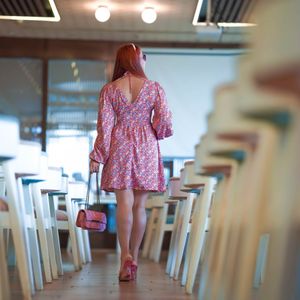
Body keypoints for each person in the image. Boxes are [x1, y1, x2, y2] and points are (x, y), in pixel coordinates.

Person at [89, 43, 173, 281]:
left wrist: (97, 155)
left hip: (120, 143)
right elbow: (165, 120)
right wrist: (155, 130)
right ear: (136, 60)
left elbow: (104, 128)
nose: (145, 60)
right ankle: (134, 257)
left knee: (123, 203)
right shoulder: (155, 88)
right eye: (142, 57)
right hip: (146, 144)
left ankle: (124, 255)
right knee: (140, 206)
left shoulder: (109, 89)